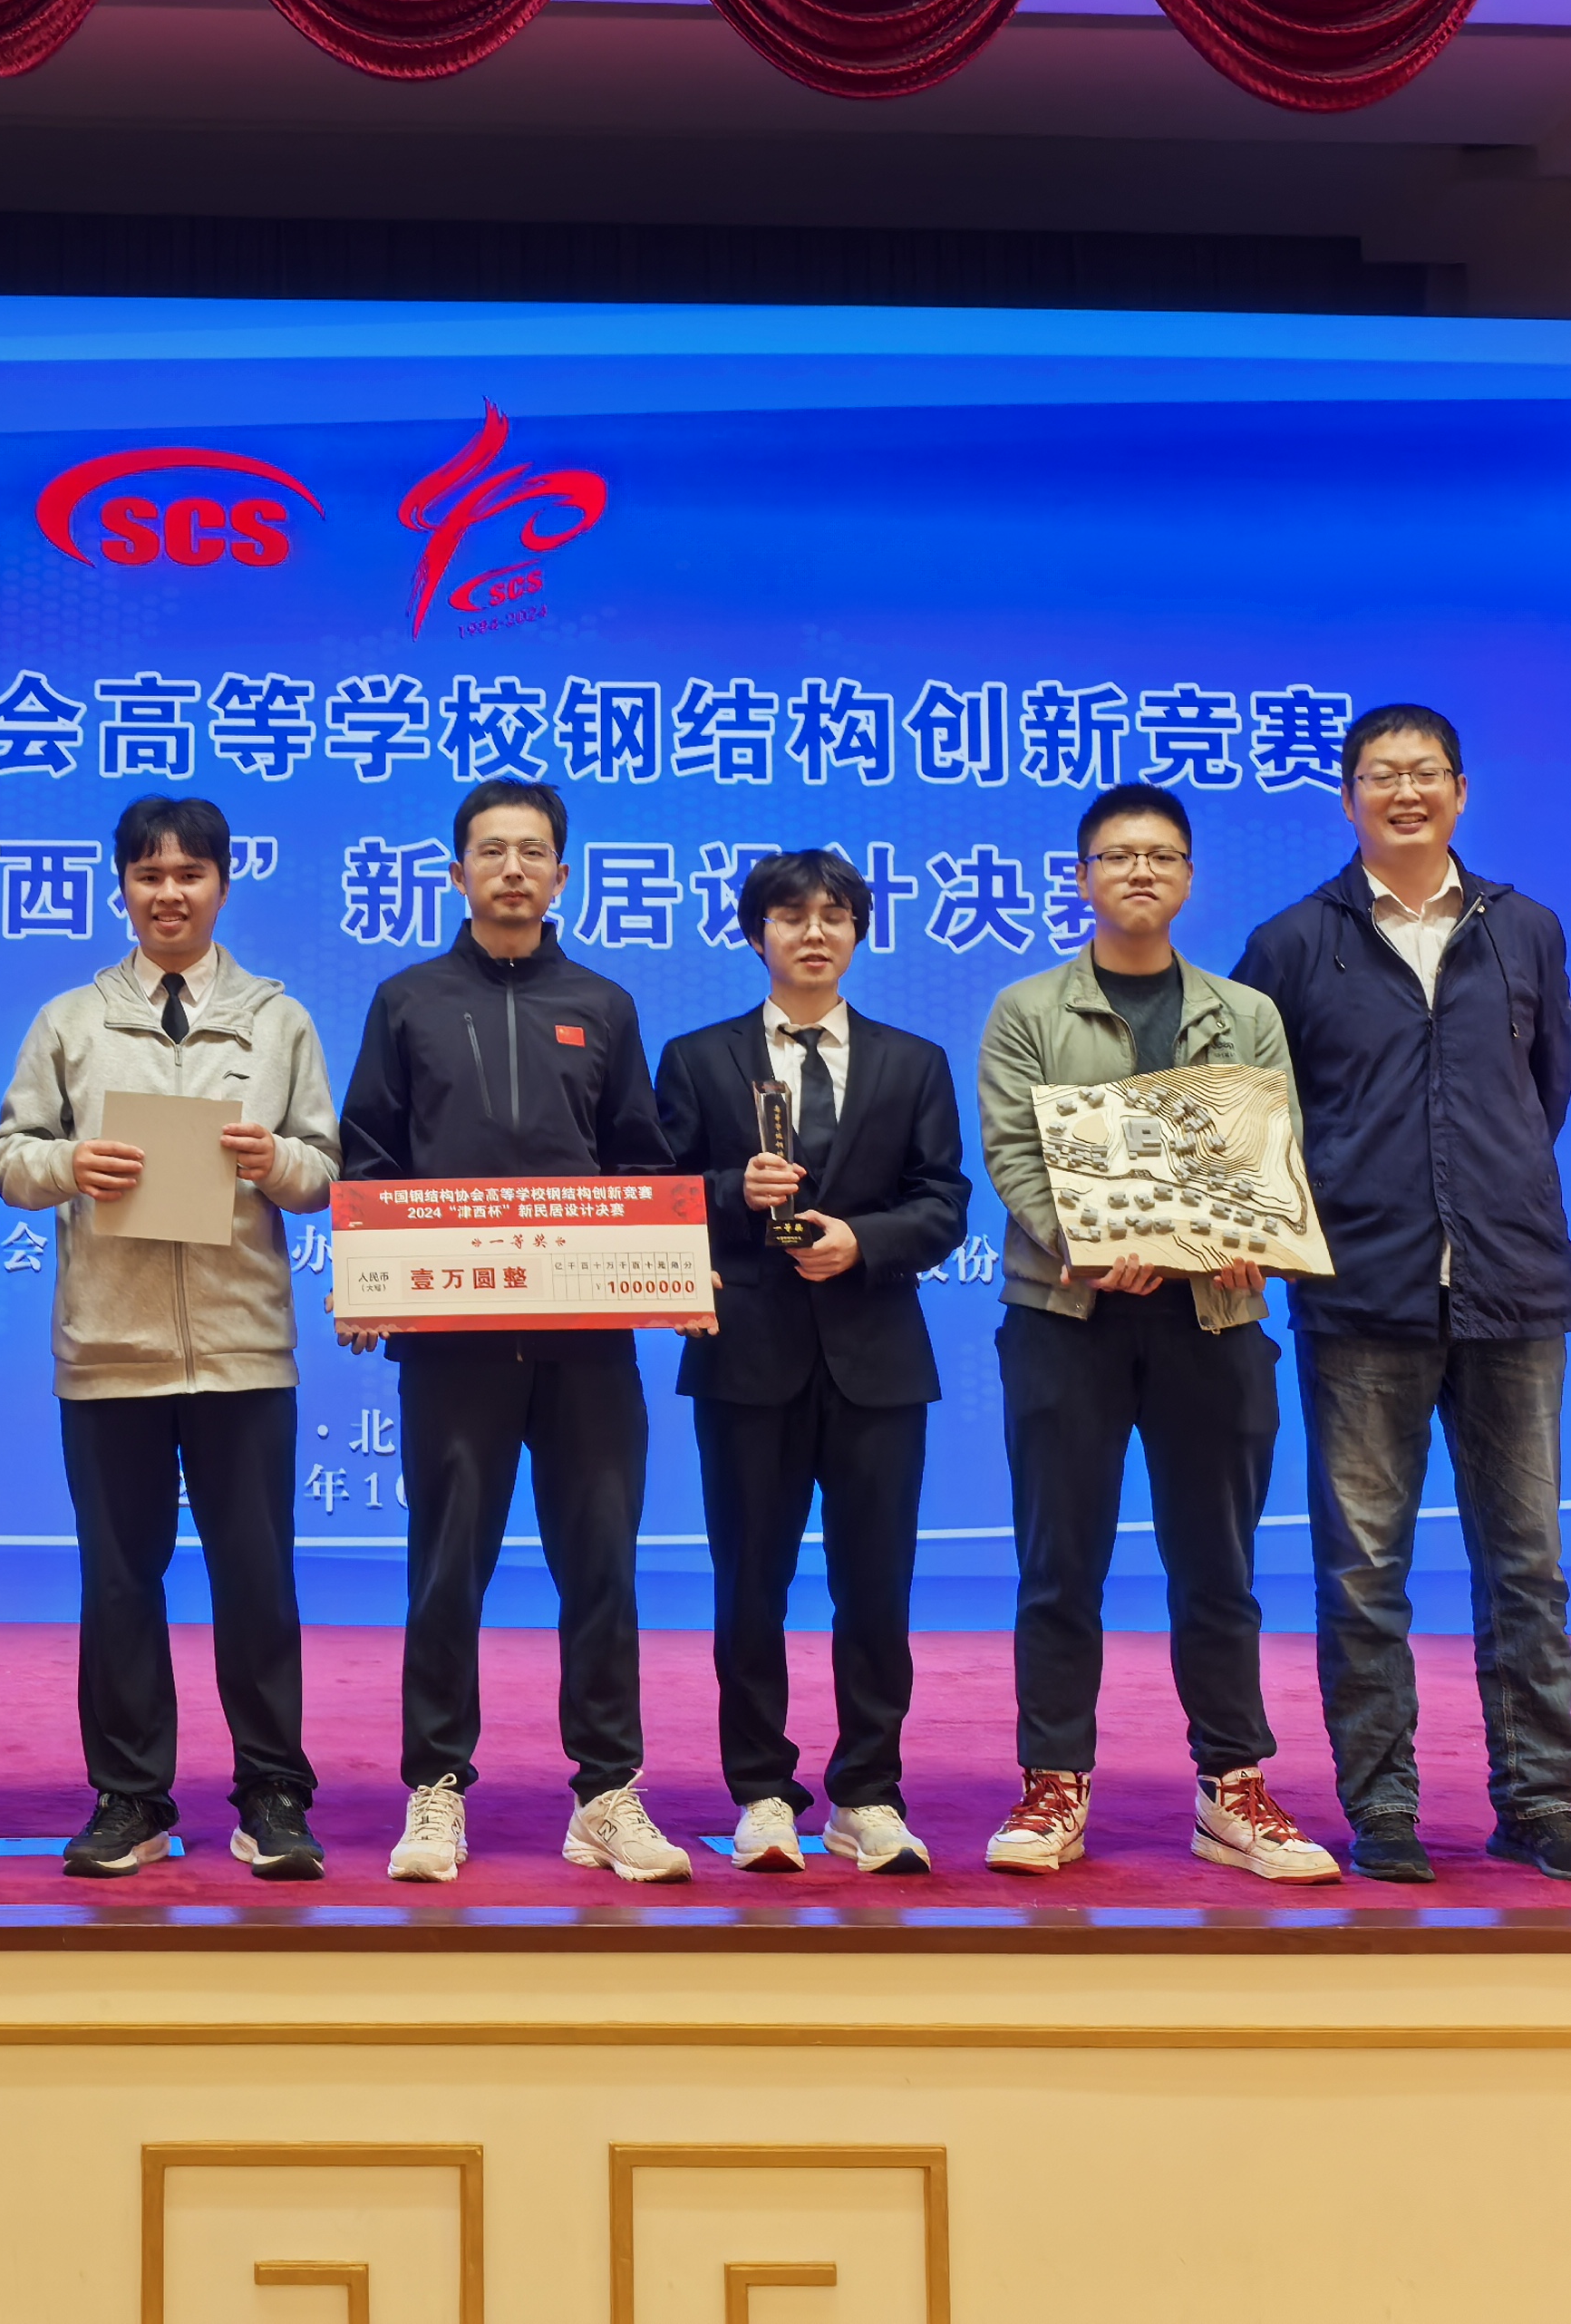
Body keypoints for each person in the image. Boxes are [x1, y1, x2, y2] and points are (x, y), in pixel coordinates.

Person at [1232, 705, 1571, 1887]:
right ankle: (1383, 1806)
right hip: (1362, 1293)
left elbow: (1543, 1094)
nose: (1404, 792)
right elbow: (1253, 1116)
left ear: (1459, 790)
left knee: (1528, 1565)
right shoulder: (1292, 943)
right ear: (1347, 797)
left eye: (1425, 773)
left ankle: (1538, 1803)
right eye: (1380, 775)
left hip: (1514, 1283)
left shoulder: (1526, 930)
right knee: (1363, 1572)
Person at [975, 781, 1337, 1883]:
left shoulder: (1245, 1011)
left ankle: (1232, 1786)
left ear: (1187, 877)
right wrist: (1086, 1242)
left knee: (1217, 1567)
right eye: (1119, 856)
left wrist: (1253, 1236)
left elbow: (1270, 1153)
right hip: (1065, 1316)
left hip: (1213, 1318)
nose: (1141, 871)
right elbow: (1015, 1153)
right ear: (1082, 877)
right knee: (1058, 1563)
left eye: (1162, 856)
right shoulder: (1027, 1009)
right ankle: (1052, 1783)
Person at [338, 778, 695, 1887]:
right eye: (490, 851)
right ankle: (435, 1786)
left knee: (602, 1568)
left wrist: (668, 1265)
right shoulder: (406, 1001)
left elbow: (638, 1159)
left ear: (560, 875)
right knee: (447, 1570)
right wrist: (374, 1281)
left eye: (531, 852)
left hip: (587, 1343)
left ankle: (606, 1793)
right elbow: (369, 1154)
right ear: (457, 873)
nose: (510, 869)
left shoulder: (603, 1002)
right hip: (453, 1341)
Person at [0, 795, 338, 1882]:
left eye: (189, 874)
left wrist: (274, 1161)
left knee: (256, 1582)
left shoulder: (277, 1019)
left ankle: (273, 1793)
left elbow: (325, 1169)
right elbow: (9, 1155)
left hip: (241, 1347)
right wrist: (68, 1165)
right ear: (122, 888)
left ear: (224, 884)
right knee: (119, 1585)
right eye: (149, 875)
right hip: (110, 1350)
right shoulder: (70, 1020)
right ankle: (130, 1797)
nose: (169, 893)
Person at [655, 847, 972, 1876]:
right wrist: (728, 1191)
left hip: (878, 1356)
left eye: (834, 915)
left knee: (875, 1588)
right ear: (758, 935)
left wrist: (862, 1243)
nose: (814, 933)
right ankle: (760, 1790)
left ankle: (867, 1793)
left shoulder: (913, 1061)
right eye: (791, 916)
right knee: (749, 1585)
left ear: (859, 933)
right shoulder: (697, 1058)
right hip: (745, 1358)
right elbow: (655, 1194)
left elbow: (944, 1202)